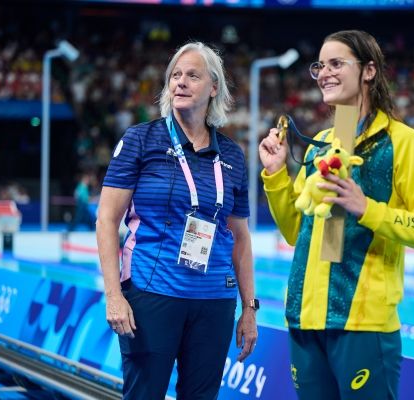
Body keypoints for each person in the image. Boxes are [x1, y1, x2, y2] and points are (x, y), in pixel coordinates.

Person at [259, 30, 414, 400]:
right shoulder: (324, 142)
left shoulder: (401, 142)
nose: (324, 73)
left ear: (369, 70)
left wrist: (368, 209)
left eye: (336, 63)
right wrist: (276, 174)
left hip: (362, 324)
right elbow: (297, 232)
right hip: (306, 320)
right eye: (320, 65)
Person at [96, 41, 258, 400]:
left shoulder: (231, 154)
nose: (180, 82)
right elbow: (107, 219)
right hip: (153, 293)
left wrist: (249, 308)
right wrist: (113, 295)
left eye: (193, 76)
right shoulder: (141, 139)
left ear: (214, 87)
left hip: (215, 299)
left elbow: (240, 237)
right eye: (175, 75)